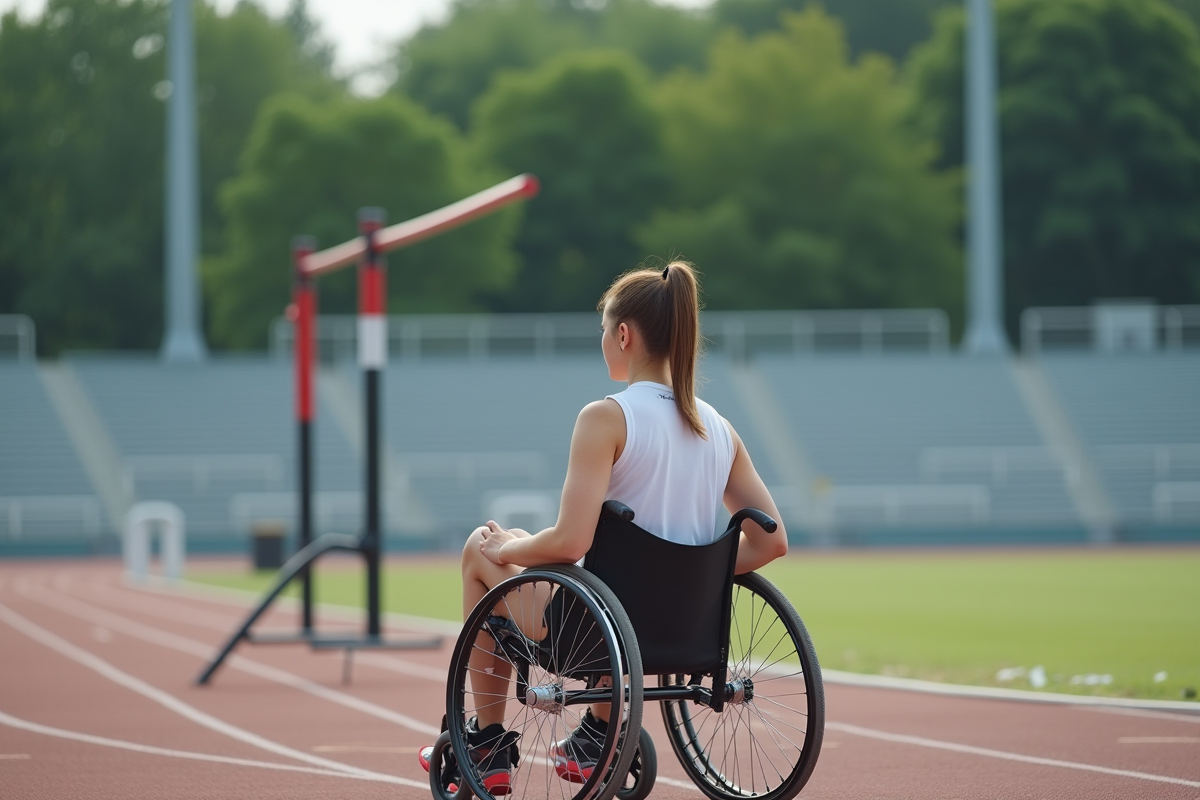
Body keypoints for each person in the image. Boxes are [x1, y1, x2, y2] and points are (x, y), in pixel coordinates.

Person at [419, 260, 788, 794]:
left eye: (602, 333)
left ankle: (488, 744)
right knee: (607, 585)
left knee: (481, 548)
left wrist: (513, 545)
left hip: (595, 633)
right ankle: (595, 732)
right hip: (686, 630)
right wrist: (693, 574)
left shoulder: (606, 417)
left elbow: (571, 542)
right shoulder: (720, 429)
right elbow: (772, 540)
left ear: (623, 335)